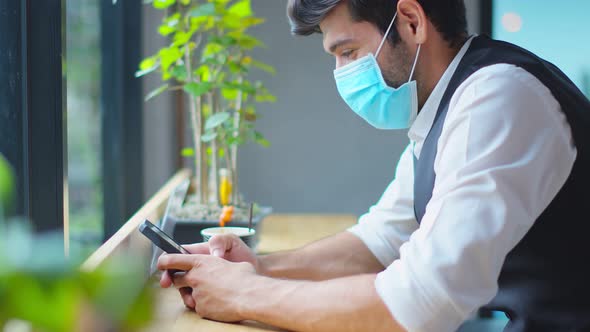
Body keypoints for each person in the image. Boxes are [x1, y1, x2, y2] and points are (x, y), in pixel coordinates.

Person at [158, 0, 590, 331]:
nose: (341, 73)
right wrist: (259, 267)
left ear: (411, 21)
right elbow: (381, 240)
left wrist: (246, 295)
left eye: (348, 52)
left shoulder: (496, 99)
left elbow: (424, 300)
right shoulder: (445, 106)